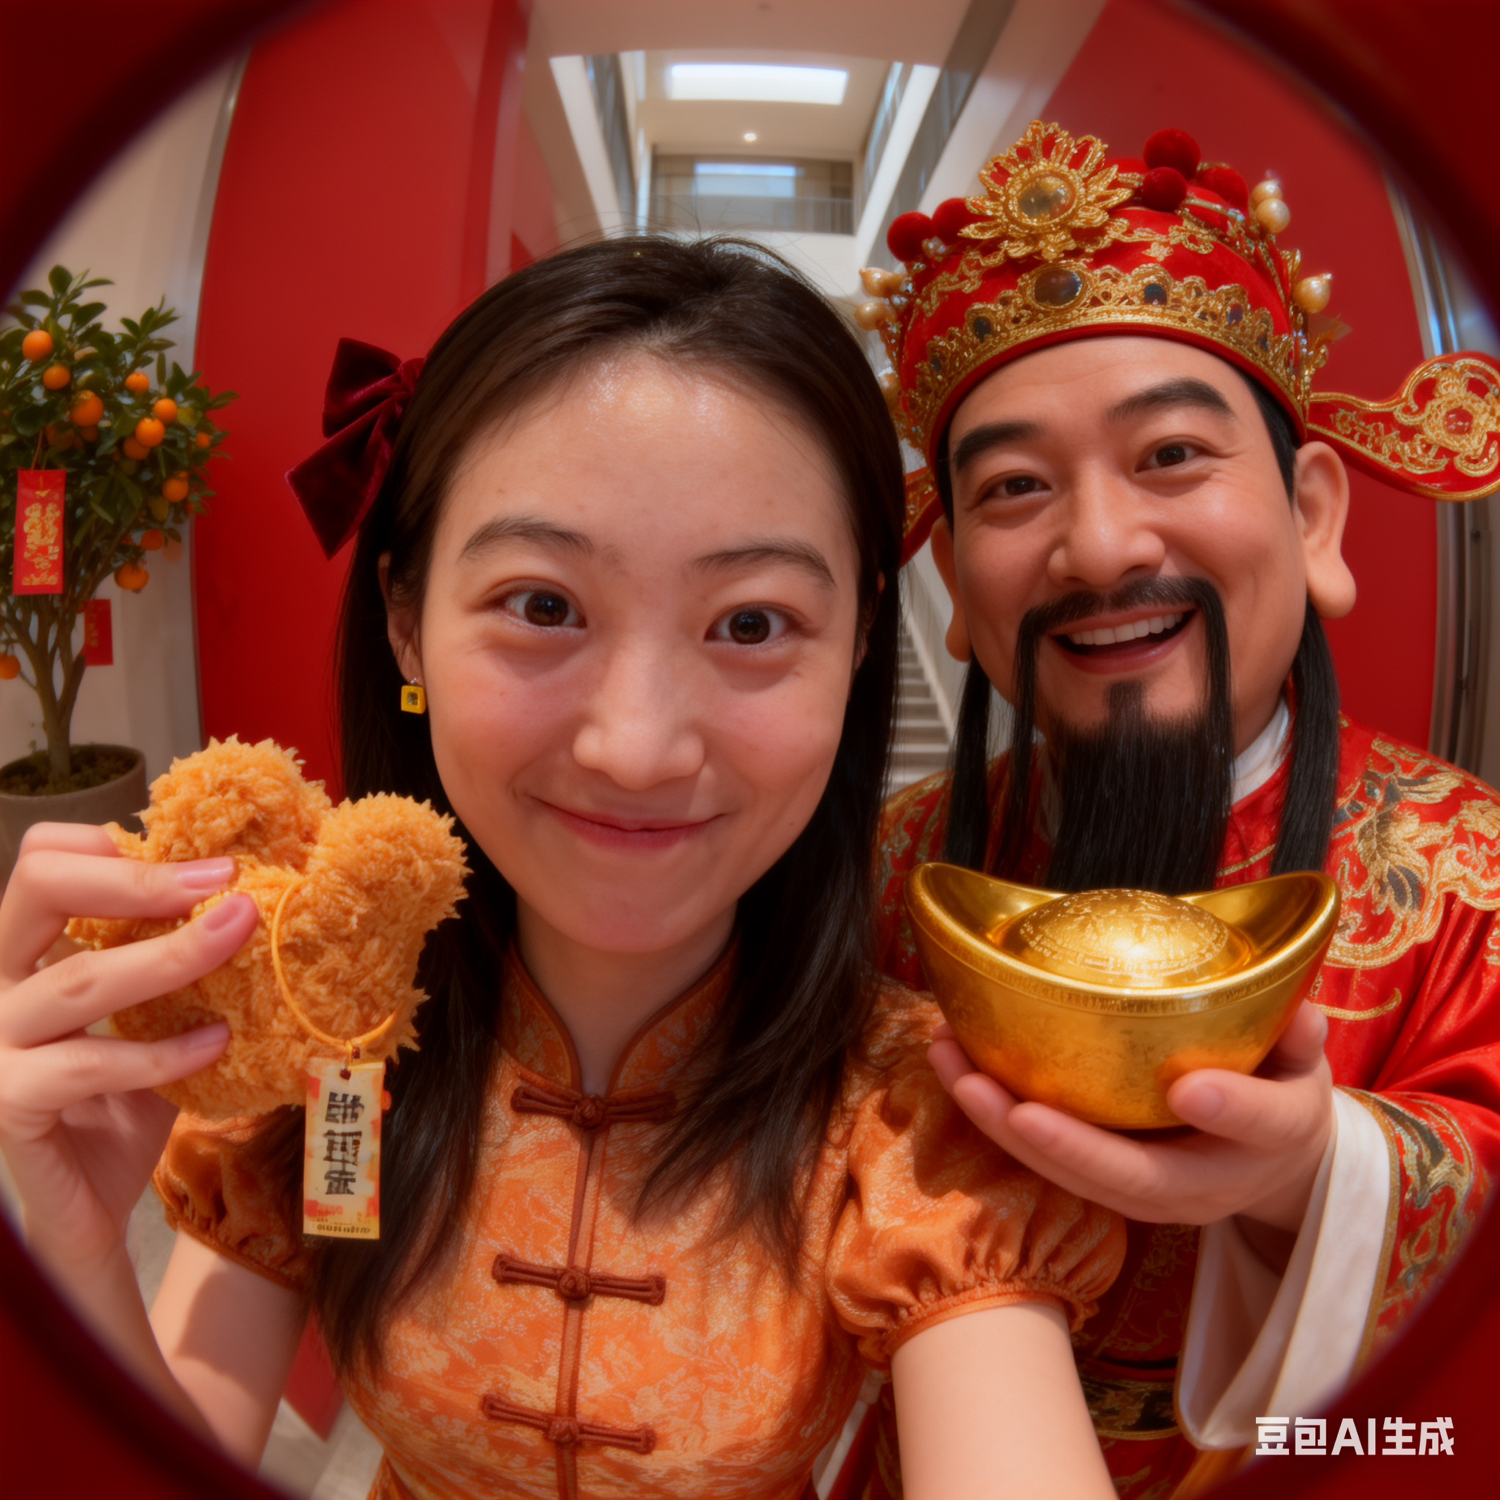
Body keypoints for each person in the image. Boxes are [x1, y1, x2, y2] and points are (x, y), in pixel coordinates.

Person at [0, 237, 1126, 1500]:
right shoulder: (325, 1056)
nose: (635, 749)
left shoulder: (916, 1128)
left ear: (862, 641)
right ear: (405, 620)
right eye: (543, 606)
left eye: (752, 623)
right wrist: (76, 1255)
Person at [866, 121, 1500, 1497]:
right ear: (957, 590)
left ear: (1314, 517)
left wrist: (1312, 1177)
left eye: (1168, 454)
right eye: (1015, 488)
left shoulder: (1471, 880)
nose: (1101, 548)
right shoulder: (888, 870)